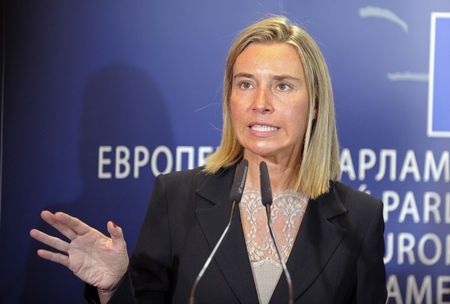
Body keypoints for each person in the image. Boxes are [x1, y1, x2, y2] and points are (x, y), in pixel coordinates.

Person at [30, 15, 387, 303]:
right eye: (245, 84)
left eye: (282, 86)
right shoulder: (177, 197)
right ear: (230, 97)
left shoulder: (360, 218)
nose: (259, 102)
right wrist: (113, 288)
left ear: (316, 105)